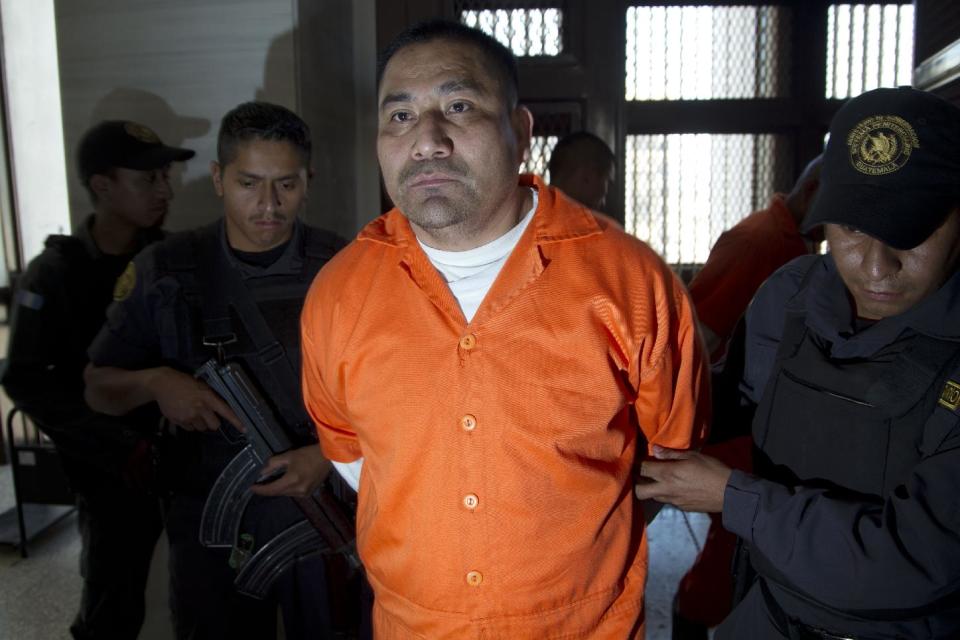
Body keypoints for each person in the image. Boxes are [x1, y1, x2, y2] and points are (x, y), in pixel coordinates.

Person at [300, 20, 710, 638]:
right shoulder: (339, 294)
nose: (428, 141)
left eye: (459, 106)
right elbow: (352, 454)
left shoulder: (629, 280)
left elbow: (669, 452)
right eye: (401, 117)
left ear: (519, 132)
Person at [636, 86, 960, 639]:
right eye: (854, 229)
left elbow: (914, 561)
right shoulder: (793, 297)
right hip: (768, 605)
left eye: (913, 231)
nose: (876, 268)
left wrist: (734, 498)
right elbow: (736, 397)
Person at [83, 102, 349, 640]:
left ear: (309, 180)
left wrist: (328, 455)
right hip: (210, 518)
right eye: (250, 182)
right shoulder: (165, 270)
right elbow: (96, 388)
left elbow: (399, 398)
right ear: (218, 178)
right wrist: (155, 383)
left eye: (287, 184)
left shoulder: (347, 268)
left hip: (323, 507)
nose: (269, 205)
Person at [1, 120, 193, 640]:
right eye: (147, 179)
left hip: (185, 454)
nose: (164, 190)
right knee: (113, 603)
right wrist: (112, 446)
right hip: (110, 470)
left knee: (207, 594)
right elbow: (25, 378)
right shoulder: (56, 273)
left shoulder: (174, 259)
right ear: (103, 187)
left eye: (165, 177)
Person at [671, 155, 821, 639]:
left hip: (771, 421)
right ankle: (692, 617)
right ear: (816, 189)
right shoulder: (759, 243)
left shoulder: (794, 242)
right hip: (737, 421)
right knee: (733, 543)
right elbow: (699, 338)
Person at [547, 130, 616, 211]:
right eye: (607, 181)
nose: (603, 202)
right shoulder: (601, 223)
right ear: (588, 177)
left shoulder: (531, 216)